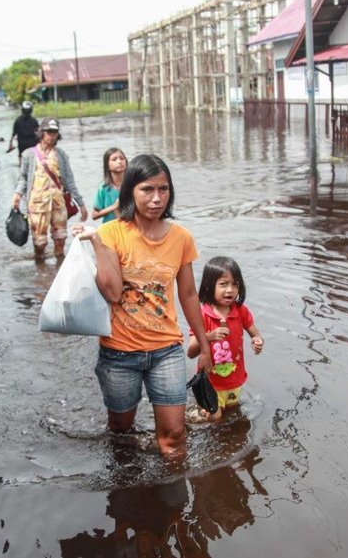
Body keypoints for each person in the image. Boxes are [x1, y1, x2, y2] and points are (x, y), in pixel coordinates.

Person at [73, 154, 212, 458]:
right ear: (130, 191)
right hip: (119, 352)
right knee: (121, 432)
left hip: (166, 350)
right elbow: (112, 292)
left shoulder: (181, 237)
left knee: (174, 437)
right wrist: (97, 244)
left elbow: (189, 294)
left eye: (163, 189)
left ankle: (174, 488)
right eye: (147, 189)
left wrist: (204, 345)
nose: (156, 198)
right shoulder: (110, 233)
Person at [186, 256, 264, 420]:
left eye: (235, 284)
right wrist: (209, 336)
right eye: (223, 284)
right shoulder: (201, 315)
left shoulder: (241, 311)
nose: (230, 290)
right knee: (215, 418)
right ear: (209, 286)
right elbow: (191, 352)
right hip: (210, 381)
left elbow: (255, 334)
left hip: (234, 379)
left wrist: (257, 341)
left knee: (232, 412)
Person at [13, 118, 87, 261]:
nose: (52, 135)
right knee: (39, 242)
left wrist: (81, 204)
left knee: (60, 239)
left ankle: (59, 267)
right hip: (37, 204)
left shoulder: (61, 155)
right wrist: (17, 195)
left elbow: (69, 181)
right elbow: (23, 178)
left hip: (58, 203)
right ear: (41, 133)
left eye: (54, 132)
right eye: (49, 132)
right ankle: (40, 266)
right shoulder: (29, 154)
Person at [92, 147, 126, 223]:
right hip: (109, 227)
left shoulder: (132, 185)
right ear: (107, 166)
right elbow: (94, 215)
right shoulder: (103, 188)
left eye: (122, 158)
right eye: (114, 159)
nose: (119, 161)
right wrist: (113, 207)